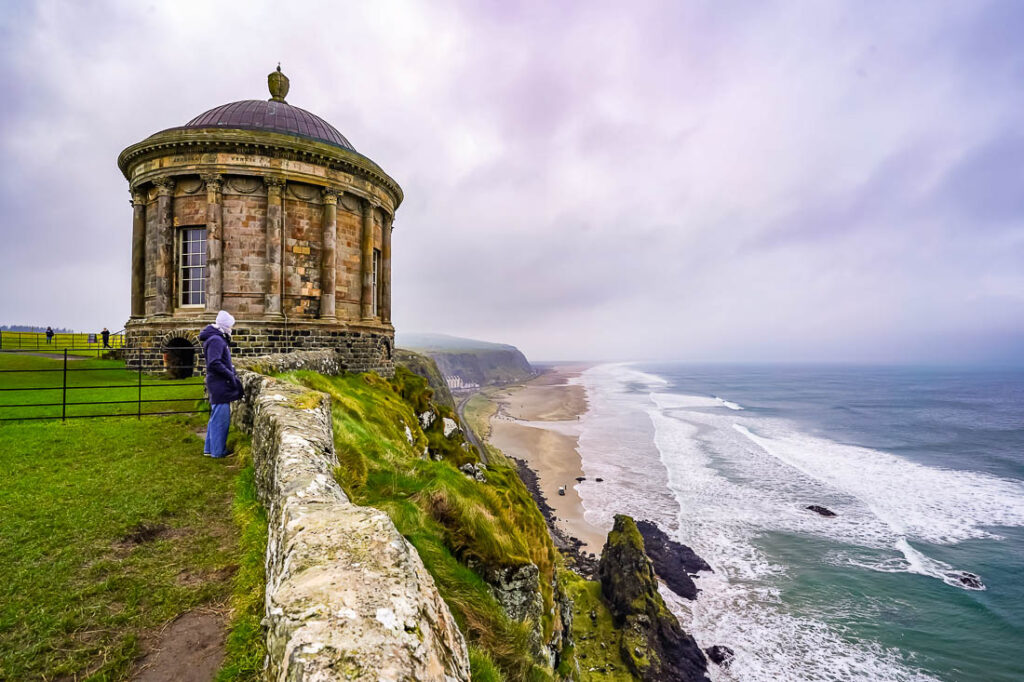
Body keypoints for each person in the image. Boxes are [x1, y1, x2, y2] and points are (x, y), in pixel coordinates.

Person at [200, 311, 244, 458]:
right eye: (230, 325)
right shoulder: (217, 340)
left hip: (217, 382)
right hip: (220, 383)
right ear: (226, 326)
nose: (231, 329)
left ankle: (209, 449)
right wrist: (230, 374)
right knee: (221, 419)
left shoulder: (215, 338)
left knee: (215, 416)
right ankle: (218, 451)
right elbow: (214, 363)